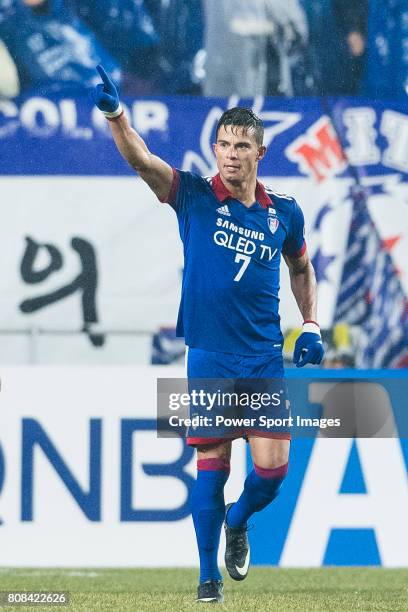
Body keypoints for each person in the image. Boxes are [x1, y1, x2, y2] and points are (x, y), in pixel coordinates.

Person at [92, 65, 324, 603]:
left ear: (260, 153)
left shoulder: (284, 214)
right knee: (211, 470)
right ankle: (206, 577)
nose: (230, 153)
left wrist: (310, 321)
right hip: (212, 356)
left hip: (264, 360)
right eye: (223, 143)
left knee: (271, 474)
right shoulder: (193, 196)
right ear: (214, 149)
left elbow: (302, 269)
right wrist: (115, 114)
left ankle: (237, 525)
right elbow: (141, 159)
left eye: (242, 145)